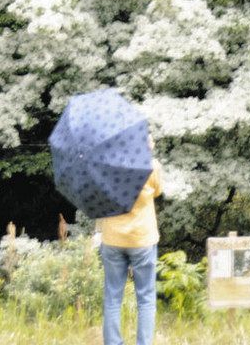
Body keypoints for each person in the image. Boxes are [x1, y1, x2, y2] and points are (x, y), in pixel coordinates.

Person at [97, 136, 163, 345]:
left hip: (112, 237)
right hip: (142, 238)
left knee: (113, 297)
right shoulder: (151, 166)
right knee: (145, 298)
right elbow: (158, 191)